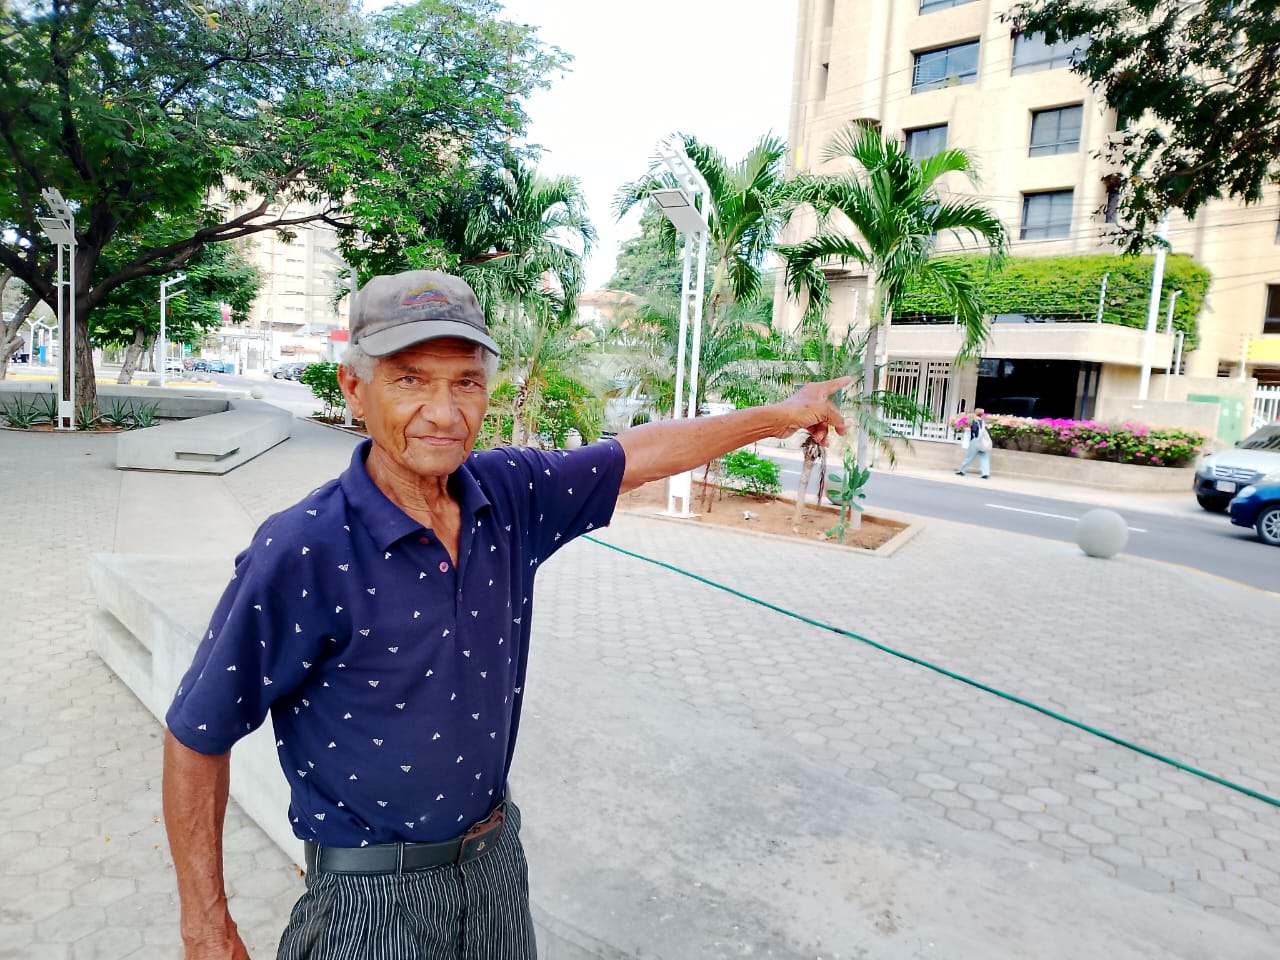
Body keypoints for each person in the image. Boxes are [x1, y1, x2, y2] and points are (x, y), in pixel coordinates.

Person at [162, 268, 849, 960]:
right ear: (355, 390)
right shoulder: (304, 546)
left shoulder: (509, 493)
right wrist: (206, 926)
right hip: (371, 904)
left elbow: (635, 455)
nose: (444, 411)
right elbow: (197, 732)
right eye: (410, 381)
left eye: (465, 381)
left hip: (494, 870)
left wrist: (780, 415)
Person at [955, 408, 991, 479]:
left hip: (975, 440)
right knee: (984, 457)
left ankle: (962, 471)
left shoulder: (974, 420)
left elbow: (974, 430)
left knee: (969, 457)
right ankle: (985, 473)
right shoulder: (982, 422)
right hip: (983, 442)